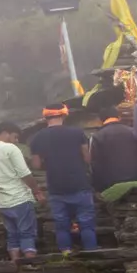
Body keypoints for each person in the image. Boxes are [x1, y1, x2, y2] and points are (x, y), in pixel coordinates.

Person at [29, 106, 98, 252]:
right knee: (86, 222)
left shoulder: (37, 137)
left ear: (45, 117)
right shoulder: (77, 132)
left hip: (56, 187)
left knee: (61, 224)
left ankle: (65, 253)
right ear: (64, 115)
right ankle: (92, 252)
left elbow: (35, 164)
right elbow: (87, 158)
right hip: (80, 183)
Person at [0, 120, 43, 262]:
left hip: (3, 202)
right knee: (27, 233)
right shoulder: (11, 149)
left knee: (12, 234)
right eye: (15, 137)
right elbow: (24, 173)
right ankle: (30, 263)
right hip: (20, 198)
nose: (15, 141)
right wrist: (37, 191)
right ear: (6, 133)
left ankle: (14, 264)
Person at [89, 107, 137, 191]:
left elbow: (95, 164)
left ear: (101, 120)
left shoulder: (97, 136)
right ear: (119, 117)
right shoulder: (133, 131)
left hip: (112, 183)